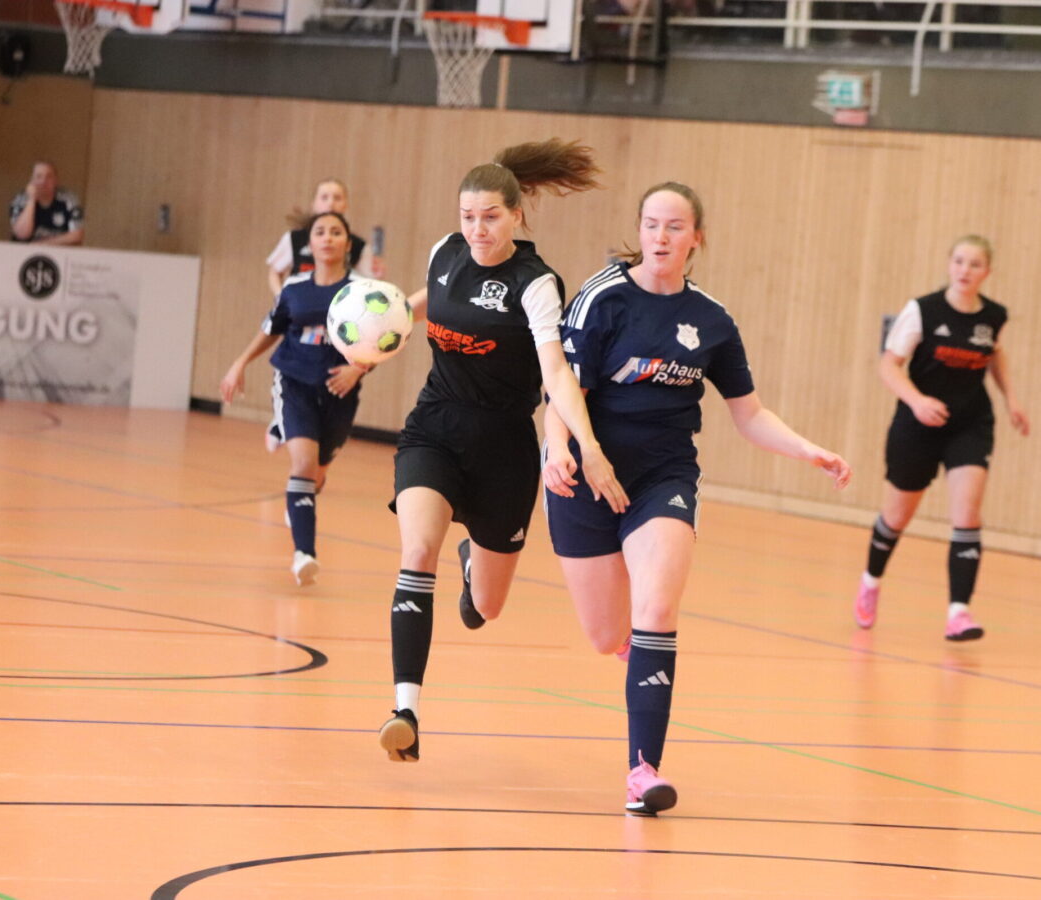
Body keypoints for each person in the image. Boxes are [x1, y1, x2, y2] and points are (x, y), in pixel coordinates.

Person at [542, 182, 851, 816]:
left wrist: (807, 450)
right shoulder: (602, 299)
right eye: (651, 224)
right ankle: (492, 566)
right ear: (640, 230)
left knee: (656, 608)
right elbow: (562, 390)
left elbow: (750, 413)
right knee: (606, 636)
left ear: (696, 238)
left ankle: (643, 773)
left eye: (675, 227)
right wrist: (560, 449)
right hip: (588, 473)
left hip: (664, 479)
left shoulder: (711, 320)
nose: (661, 236)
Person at [378, 139, 629, 764]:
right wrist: (382, 324)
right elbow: (429, 298)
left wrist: (587, 446)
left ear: (517, 215)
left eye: (490, 216)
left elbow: (556, 373)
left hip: (503, 449)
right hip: (434, 427)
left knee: (486, 608)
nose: (477, 230)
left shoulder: (535, 283)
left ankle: (475, 564)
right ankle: (405, 711)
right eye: (468, 217)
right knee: (417, 551)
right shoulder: (445, 253)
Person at [854, 235, 1029, 641]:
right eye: (959, 261)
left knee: (967, 514)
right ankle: (871, 581)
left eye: (975, 264)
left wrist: (1011, 399)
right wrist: (917, 401)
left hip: (970, 424)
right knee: (896, 518)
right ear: (949, 265)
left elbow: (995, 354)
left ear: (987, 272)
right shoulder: (923, 310)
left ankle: (958, 613)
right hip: (917, 425)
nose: (965, 270)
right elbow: (889, 366)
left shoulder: (994, 316)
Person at [220, 211, 370, 586]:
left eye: (336, 232)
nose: (327, 238)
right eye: (320, 232)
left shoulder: (362, 291)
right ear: (310, 244)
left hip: (339, 390)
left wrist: (358, 369)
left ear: (348, 245)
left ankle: (301, 498)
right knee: (303, 465)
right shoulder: (294, 287)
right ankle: (304, 554)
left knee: (317, 472)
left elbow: (382, 338)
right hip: (294, 381)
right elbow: (271, 329)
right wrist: (240, 363)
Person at [264, 178, 383, 296]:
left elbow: (369, 282)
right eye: (324, 197)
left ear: (346, 205)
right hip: (302, 301)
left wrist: (377, 274)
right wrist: (281, 298)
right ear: (313, 204)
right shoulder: (294, 238)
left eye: (337, 198)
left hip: (338, 302)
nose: (331, 203)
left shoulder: (359, 245)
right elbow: (275, 272)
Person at [10, 161, 85, 245]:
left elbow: (77, 236)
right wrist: (32, 200)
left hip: (57, 250)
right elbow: (22, 235)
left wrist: (43, 244)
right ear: (31, 180)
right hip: (22, 251)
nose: (43, 181)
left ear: (56, 180)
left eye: (49, 176)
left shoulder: (69, 200)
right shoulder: (20, 199)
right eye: (38, 176)